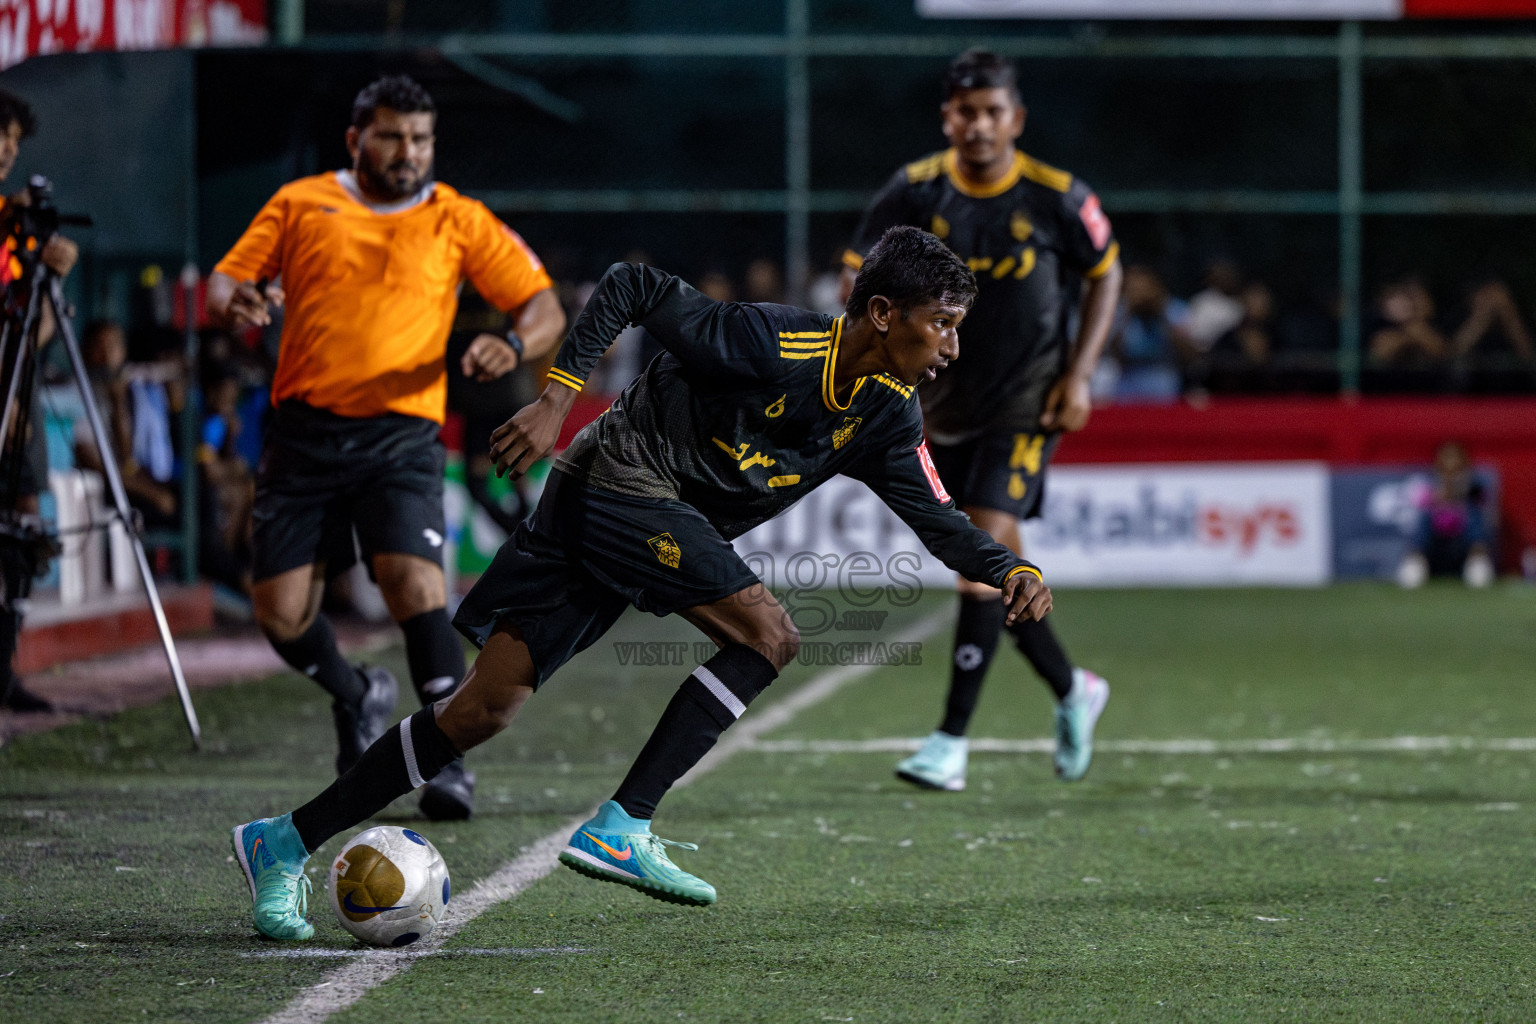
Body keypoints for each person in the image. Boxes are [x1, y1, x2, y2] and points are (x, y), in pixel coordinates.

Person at [228, 226, 1056, 939]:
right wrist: (559, 398)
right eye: (943, 325)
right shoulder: (771, 342)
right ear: (884, 315)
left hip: (636, 513)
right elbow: (633, 285)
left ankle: (284, 840)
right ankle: (625, 823)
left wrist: (1009, 565)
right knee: (771, 635)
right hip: (618, 481)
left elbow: (941, 521)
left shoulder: (886, 411)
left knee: (481, 712)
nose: (952, 347)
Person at [207, 75, 565, 819]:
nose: (409, 153)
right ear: (356, 140)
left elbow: (542, 306)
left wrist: (511, 342)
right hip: (302, 437)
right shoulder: (301, 203)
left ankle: (447, 762)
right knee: (279, 617)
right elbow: (225, 281)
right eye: (394, 136)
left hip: (401, 435)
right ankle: (358, 689)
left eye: (421, 139)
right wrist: (234, 298)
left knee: (414, 585)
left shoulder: (456, 218)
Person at [839, 49, 1121, 792]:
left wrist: (1081, 373)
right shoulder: (917, 190)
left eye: (993, 111)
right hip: (937, 406)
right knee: (1004, 573)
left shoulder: (1057, 196)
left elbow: (1106, 273)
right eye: (966, 112)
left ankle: (949, 742)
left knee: (976, 565)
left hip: (1025, 406)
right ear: (948, 119)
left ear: (1015, 119)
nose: (979, 125)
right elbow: (853, 272)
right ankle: (1071, 688)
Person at [0, 87, 79, 714]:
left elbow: (35, 331)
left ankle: (4, 668)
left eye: (12, 142)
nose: (4, 151)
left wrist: (48, 278)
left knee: (25, 522)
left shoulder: (16, 229)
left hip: (14, 393)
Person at [1397, 440, 1496, 589]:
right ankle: (1415, 562)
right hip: (1435, 548)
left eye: (1454, 457)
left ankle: (1478, 563)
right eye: (1446, 457)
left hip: (1463, 546)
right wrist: (1439, 497)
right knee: (1425, 516)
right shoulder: (1428, 482)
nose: (1450, 462)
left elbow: (1481, 501)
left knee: (1472, 514)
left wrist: (1455, 493)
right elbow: (1420, 501)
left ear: (1463, 460)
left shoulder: (1475, 483)